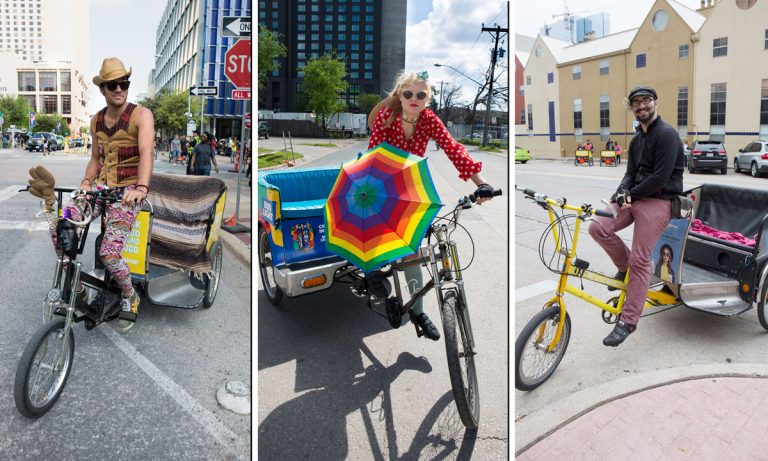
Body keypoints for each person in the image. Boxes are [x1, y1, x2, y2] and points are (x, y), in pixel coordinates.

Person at [366, 70, 497, 341]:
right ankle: (371, 270)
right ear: (399, 95)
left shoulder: (429, 120)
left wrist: (480, 184)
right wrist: (382, 195)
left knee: (414, 249)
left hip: (411, 183)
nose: (414, 98)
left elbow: (452, 148)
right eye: (409, 94)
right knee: (374, 224)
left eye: (421, 94)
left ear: (428, 99)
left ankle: (418, 311)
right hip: (379, 179)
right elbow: (374, 157)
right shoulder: (386, 117)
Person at [31, 57, 155, 332]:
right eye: (113, 85)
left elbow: (147, 152)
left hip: (128, 191)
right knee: (62, 228)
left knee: (110, 253)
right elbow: (95, 158)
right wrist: (86, 182)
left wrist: (141, 188)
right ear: (103, 89)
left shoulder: (141, 115)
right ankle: (78, 290)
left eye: (124, 83)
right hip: (99, 189)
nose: (119, 89)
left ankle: (128, 295)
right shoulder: (96, 120)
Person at [588, 86, 683, 347]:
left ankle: (628, 321)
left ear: (656, 103)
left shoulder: (667, 135)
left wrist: (631, 193)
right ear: (631, 107)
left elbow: (660, 178)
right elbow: (630, 172)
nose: (641, 106)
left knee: (641, 260)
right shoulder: (636, 139)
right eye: (636, 103)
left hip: (659, 201)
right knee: (598, 227)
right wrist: (621, 191)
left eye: (646, 101)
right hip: (636, 196)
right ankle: (623, 269)